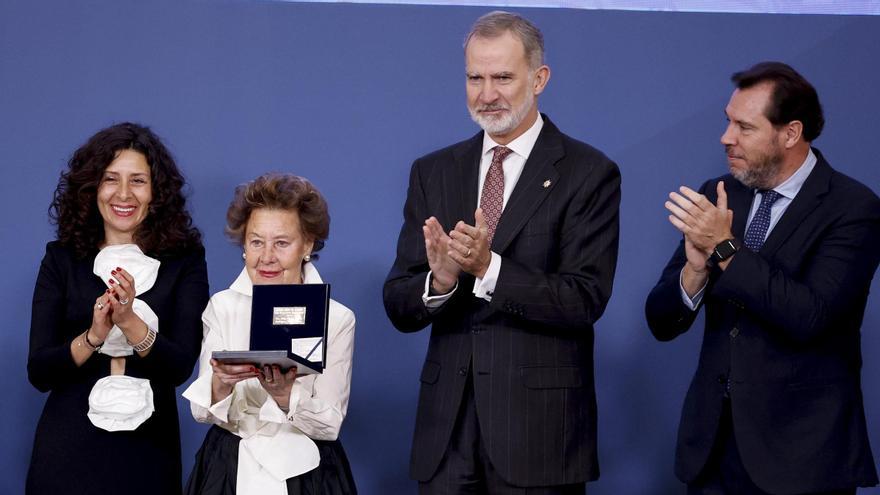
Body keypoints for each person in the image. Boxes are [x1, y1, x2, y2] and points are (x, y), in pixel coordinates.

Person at [383, 11, 620, 494]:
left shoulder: (588, 172)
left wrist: (487, 268)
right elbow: (400, 304)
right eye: (475, 77)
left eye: (502, 77)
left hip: (538, 439)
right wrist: (442, 281)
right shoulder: (434, 171)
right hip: (446, 438)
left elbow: (583, 299)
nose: (486, 93)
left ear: (539, 78)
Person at [645, 61, 880, 494]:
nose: (726, 138)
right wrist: (695, 272)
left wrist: (725, 249)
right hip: (712, 452)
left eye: (744, 127)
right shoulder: (719, 193)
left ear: (790, 133)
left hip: (801, 458)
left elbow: (810, 315)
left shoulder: (852, 208)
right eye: (727, 122)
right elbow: (661, 322)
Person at [27, 122, 209, 494]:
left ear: (156, 191)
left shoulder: (185, 261)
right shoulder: (62, 259)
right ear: (92, 187)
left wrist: (129, 322)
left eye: (138, 181)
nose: (123, 194)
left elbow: (179, 367)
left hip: (148, 453)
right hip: (67, 451)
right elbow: (40, 371)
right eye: (111, 179)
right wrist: (94, 335)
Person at [183, 173, 356, 495]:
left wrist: (284, 396)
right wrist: (219, 385)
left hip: (306, 473)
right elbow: (200, 411)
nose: (266, 258)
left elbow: (330, 423)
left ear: (307, 244)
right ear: (244, 245)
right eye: (256, 242)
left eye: (281, 243)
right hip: (227, 468)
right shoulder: (223, 306)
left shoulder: (337, 318)